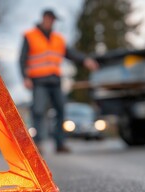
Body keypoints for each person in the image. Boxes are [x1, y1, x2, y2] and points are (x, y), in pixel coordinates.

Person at [19, 9, 99, 153]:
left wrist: (85, 60)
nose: (52, 22)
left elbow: (70, 53)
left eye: (54, 20)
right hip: (39, 81)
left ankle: (60, 144)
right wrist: (25, 77)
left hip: (55, 81)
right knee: (38, 110)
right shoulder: (30, 36)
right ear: (44, 18)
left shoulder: (58, 39)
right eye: (50, 19)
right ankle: (38, 144)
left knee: (61, 110)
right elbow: (22, 59)